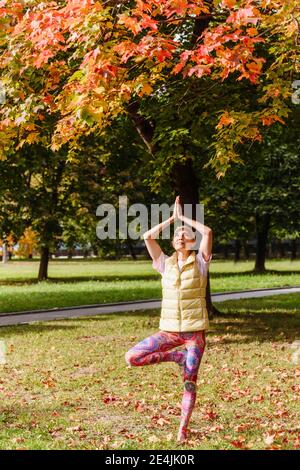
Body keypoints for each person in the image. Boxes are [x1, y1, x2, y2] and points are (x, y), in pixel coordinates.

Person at [125, 196, 213, 443]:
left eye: (185, 235)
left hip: (194, 334)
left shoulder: (201, 262)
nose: (180, 237)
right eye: (177, 235)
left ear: (193, 241)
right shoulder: (164, 263)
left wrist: (183, 217)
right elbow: (147, 237)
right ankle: (176, 357)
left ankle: (182, 431)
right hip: (170, 331)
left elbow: (207, 230)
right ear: (173, 242)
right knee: (132, 357)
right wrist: (172, 219)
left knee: (189, 383)